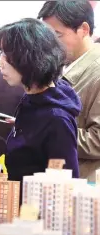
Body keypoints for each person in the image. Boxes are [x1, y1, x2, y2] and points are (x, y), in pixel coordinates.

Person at [0, 18, 81, 184]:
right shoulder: (30, 100)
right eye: (1, 54)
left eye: (7, 56)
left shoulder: (57, 118)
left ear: (29, 58)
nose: (0, 63)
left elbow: (66, 186)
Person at [38, 0, 100, 182]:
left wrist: (47, 130)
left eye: (57, 35)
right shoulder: (63, 66)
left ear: (84, 29)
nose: (51, 45)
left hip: (87, 187)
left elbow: (97, 140)